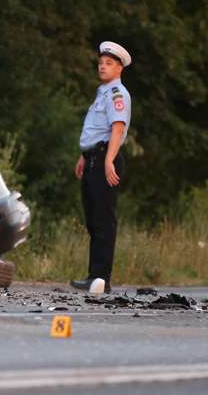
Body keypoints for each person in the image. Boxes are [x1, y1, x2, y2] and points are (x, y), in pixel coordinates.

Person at [71, 41, 132, 294]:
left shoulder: (118, 94)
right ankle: (94, 276)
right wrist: (84, 156)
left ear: (119, 68)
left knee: (104, 220)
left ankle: (101, 279)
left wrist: (108, 159)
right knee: (93, 220)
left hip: (106, 159)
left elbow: (117, 128)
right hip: (93, 158)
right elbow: (97, 129)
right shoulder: (102, 92)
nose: (103, 67)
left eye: (108, 64)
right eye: (100, 63)